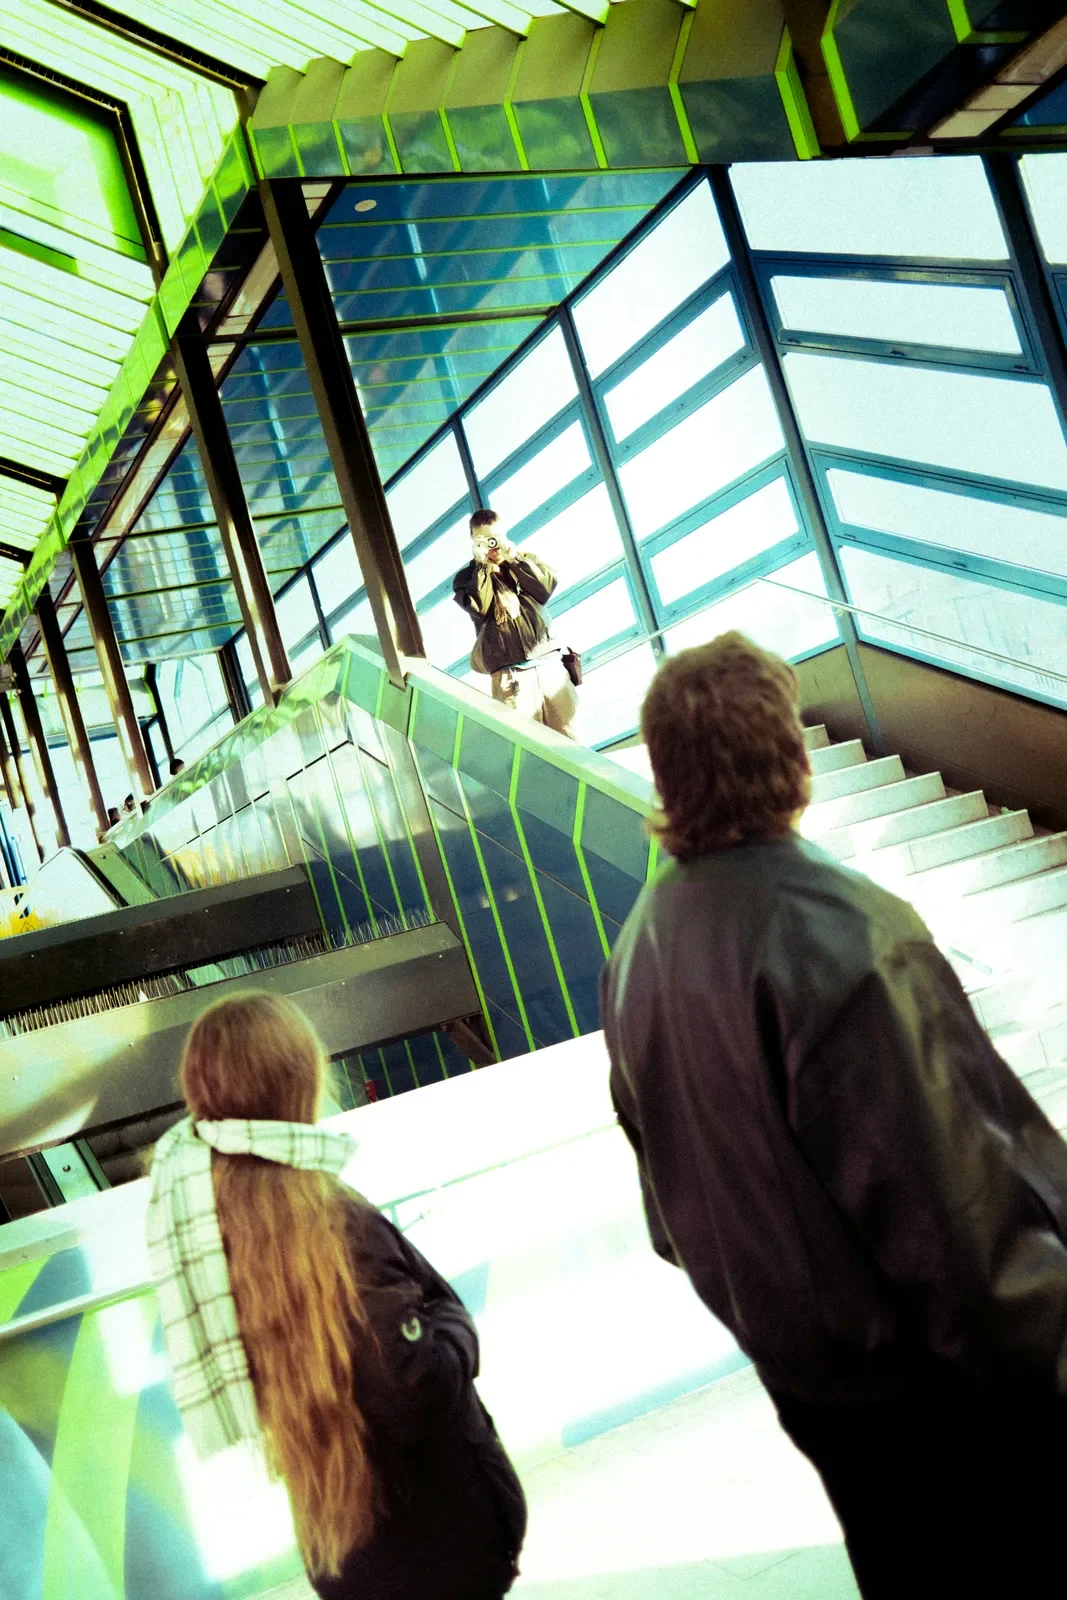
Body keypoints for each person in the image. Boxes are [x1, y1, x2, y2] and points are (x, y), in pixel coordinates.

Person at [599, 631, 1067, 1599]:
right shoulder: (844, 932)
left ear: (665, 775)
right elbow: (963, 1229)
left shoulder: (637, 953)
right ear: (792, 756)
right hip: (948, 1410)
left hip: (814, 1389)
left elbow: (668, 1215)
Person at [147, 992, 526, 1600]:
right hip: (436, 1544)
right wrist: (453, 1319)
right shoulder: (325, 1223)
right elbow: (412, 1386)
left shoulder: (214, 1219)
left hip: (343, 1545)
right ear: (296, 1085)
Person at [453, 508, 579, 738]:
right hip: (509, 677)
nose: (492, 545)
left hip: (548, 664)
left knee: (572, 743)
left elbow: (545, 588)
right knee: (528, 750)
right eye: (484, 540)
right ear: (473, 541)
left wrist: (514, 558)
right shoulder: (467, 578)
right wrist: (482, 566)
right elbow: (480, 605)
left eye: (495, 537)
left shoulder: (524, 560)